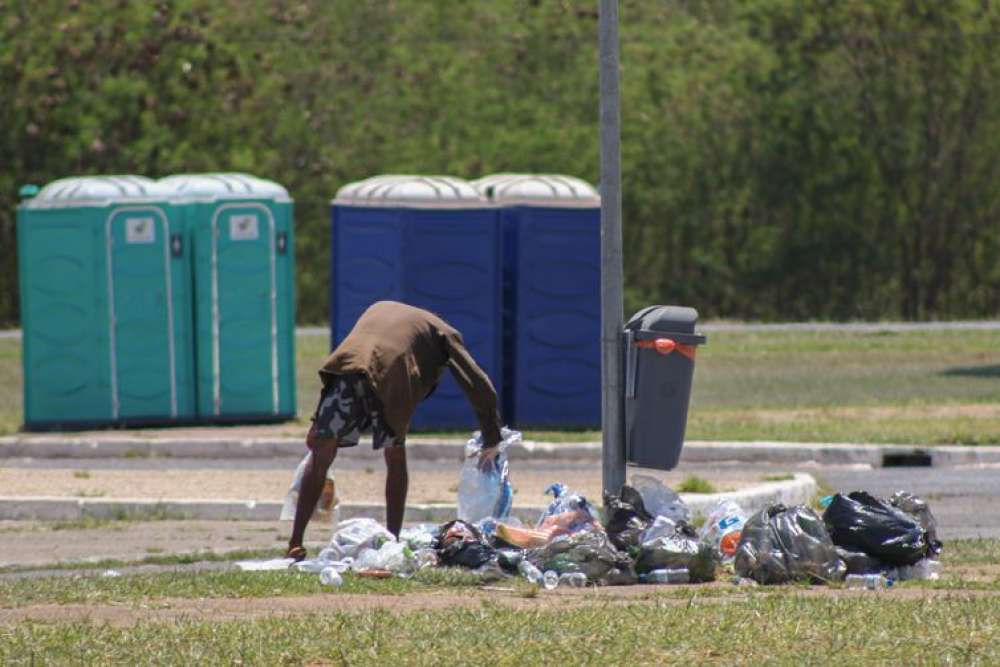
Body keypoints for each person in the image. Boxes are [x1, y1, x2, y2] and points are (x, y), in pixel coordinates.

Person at [285, 300, 502, 560]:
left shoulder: (380, 306)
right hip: (392, 377)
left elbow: (360, 346)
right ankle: (392, 540)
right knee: (395, 456)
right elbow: (478, 382)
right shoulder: (442, 331)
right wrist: (492, 436)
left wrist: (317, 424)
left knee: (322, 452)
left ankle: (295, 544)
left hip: (347, 368)